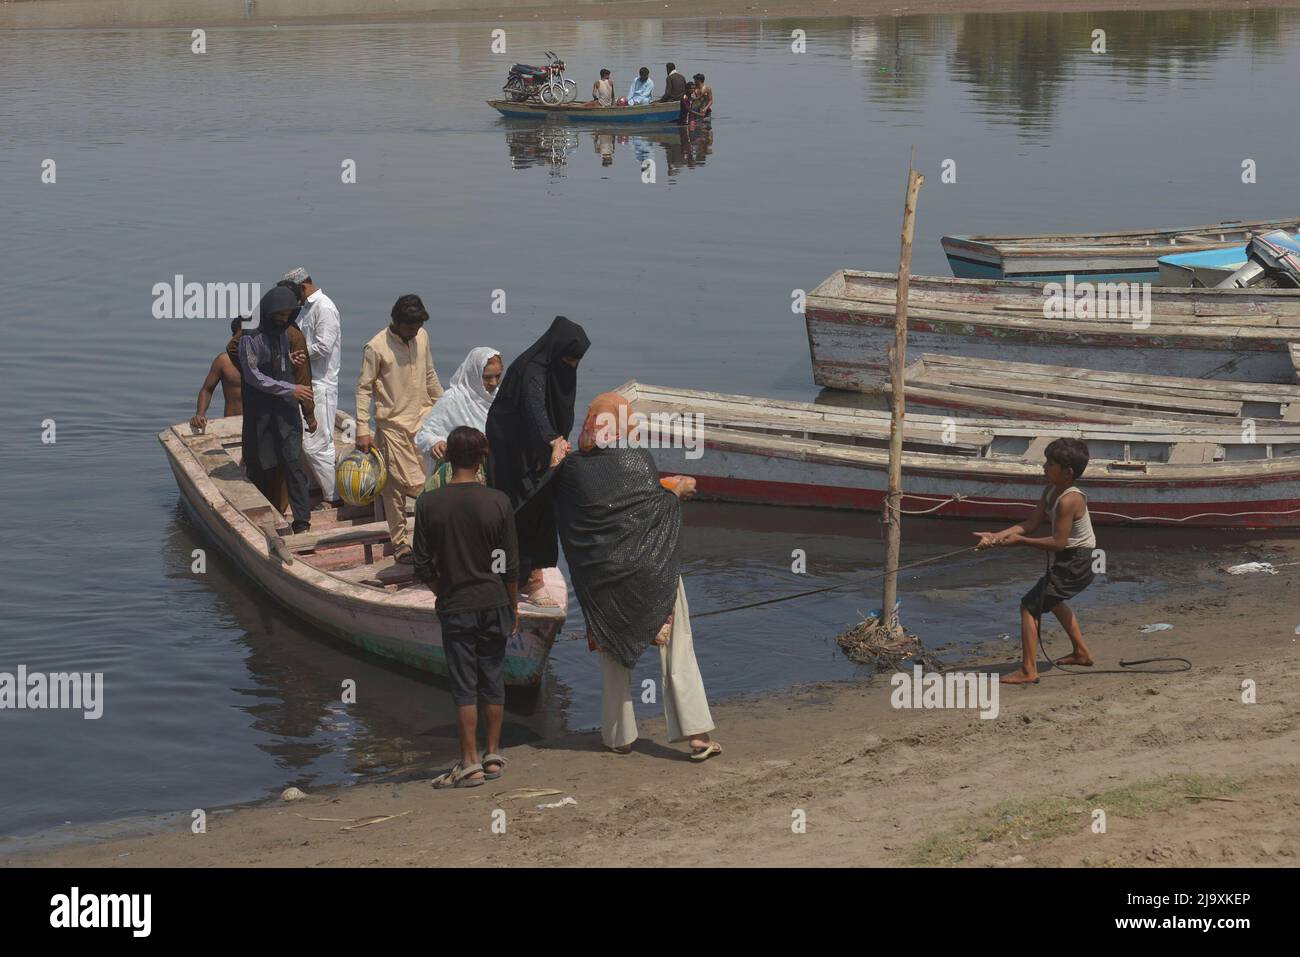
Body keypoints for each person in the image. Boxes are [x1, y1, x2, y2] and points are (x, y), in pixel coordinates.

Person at [555, 392, 721, 760]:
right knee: (678, 649)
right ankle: (697, 736)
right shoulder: (638, 459)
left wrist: (555, 462)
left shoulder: (572, 470)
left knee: (613, 653)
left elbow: (586, 512)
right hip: (652, 571)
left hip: (604, 578)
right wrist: (676, 489)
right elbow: (649, 506)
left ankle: (618, 737)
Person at [415, 426, 519, 789]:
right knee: (492, 679)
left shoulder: (429, 503)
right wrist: (512, 603)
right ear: (482, 458)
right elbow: (508, 563)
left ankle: (469, 761)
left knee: (463, 686)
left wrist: (443, 590)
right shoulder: (498, 501)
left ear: (446, 458)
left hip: (456, 605)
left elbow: (422, 564)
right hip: (493, 601)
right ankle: (492, 755)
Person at [974, 438, 1097, 685]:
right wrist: (996, 537)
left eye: (1050, 464)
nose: (1044, 467)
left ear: (1067, 472)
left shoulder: (1070, 499)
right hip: (1071, 559)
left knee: (1029, 606)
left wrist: (1020, 542)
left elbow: (1058, 543)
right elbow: (1029, 524)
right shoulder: (1051, 491)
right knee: (1052, 601)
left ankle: (1029, 670)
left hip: (1079, 561)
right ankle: (1081, 653)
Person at [484, 316, 589, 607]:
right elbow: (534, 409)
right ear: (556, 351)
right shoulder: (532, 370)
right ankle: (514, 578)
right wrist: (552, 441)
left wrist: (556, 442)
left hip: (539, 449)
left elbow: (557, 411)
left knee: (543, 508)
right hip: (511, 451)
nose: (571, 367)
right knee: (517, 508)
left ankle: (533, 574)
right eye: (568, 360)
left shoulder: (558, 370)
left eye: (576, 362)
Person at [355, 295, 444, 563]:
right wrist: (362, 428)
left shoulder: (423, 337)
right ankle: (401, 543)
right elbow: (363, 389)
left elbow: (430, 375)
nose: (414, 332)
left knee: (430, 483)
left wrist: (447, 407)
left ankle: (431, 539)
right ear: (396, 322)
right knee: (398, 487)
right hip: (392, 425)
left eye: (418, 327)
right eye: (410, 327)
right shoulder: (376, 347)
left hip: (424, 419)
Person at [238, 285, 317, 533]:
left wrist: (291, 361)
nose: (283, 320)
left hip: (285, 409)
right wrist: (290, 389)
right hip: (260, 409)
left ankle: (302, 520)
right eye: (279, 315)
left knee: (293, 462)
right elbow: (253, 376)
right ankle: (261, 519)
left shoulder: (284, 333)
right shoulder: (250, 338)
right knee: (261, 463)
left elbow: (279, 361)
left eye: (287, 315)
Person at [283, 267, 342, 508]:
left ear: (302, 287)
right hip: (305, 382)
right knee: (305, 441)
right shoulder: (305, 309)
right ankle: (316, 487)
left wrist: (296, 355)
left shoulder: (324, 307)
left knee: (317, 442)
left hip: (320, 383)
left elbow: (324, 347)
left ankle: (333, 497)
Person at [416, 347, 503, 490]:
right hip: (457, 478)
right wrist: (436, 443)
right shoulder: (453, 399)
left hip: (492, 475)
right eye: (487, 377)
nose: (494, 383)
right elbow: (424, 435)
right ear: (474, 374)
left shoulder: (500, 399)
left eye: (498, 376)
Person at [190, 318, 245, 431]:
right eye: (243, 334)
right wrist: (200, 414)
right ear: (234, 336)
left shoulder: (265, 360)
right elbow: (207, 389)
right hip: (231, 425)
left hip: (259, 425)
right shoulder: (223, 361)